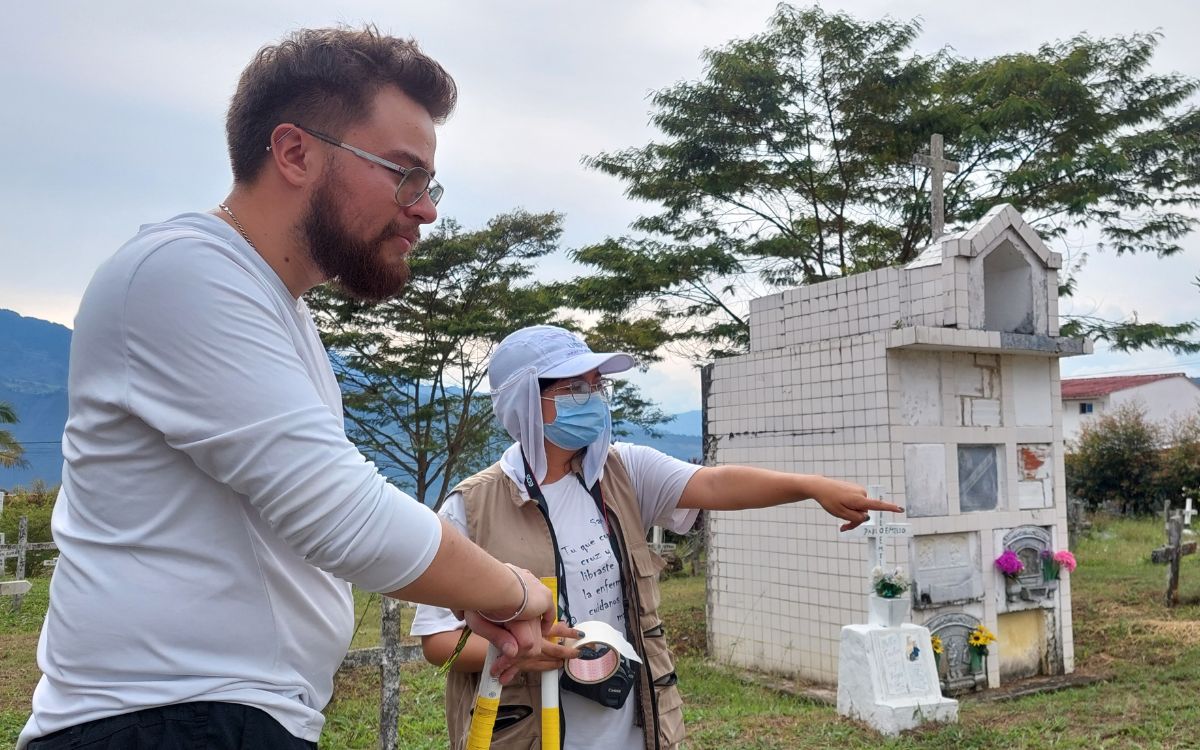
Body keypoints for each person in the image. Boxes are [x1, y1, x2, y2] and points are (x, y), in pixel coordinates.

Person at [19, 27, 557, 750]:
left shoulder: (276, 308)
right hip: (167, 718)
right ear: (295, 152)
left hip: (222, 716)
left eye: (429, 184)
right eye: (404, 174)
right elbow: (346, 516)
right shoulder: (183, 272)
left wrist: (472, 597)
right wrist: (517, 590)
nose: (425, 209)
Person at [411, 325, 905, 750]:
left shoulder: (623, 473)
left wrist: (808, 486)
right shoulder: (471, 508)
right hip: (528, 730)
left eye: (596, 385)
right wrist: (523, 653)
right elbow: (439, 641)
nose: (594, 398)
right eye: (574, 389)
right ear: (525, 402)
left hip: (632, 723)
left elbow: (714, 483)